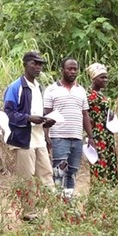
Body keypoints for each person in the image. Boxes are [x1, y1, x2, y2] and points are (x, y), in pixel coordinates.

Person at [3, 51, 55, 221]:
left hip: (39, 137)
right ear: (25, 64)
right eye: (34, 63)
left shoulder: (38, 87)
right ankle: (29, 213)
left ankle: (52, 210)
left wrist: (45, 122)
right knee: (27, 178)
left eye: (40, 64)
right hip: (23, 139)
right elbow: (9, 113)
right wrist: (28, 119)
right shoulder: (16, 87)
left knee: (46, 174)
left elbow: (37, 113)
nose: (38, 67)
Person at [43, 57, 94, 199]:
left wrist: (90, 136)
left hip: (77, 138)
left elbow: (85, 115)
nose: (72, 71)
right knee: (59, 170)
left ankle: (68, 202)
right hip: (59, 137)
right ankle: (58, 203)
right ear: (62, 70)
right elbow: (46, 115)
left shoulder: (81, 90)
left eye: (75, 69)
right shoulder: (51, 90)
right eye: (69, 69)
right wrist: (46, 136)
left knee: (72, 171)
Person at [85, 63, 118, 186]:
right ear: (93, 78)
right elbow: (85, 115)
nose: (105, 80)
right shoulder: (89, 95)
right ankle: (99, 194)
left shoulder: (100, 94)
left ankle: (109, 195)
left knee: (108, 163)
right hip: (98, 135)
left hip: (106, 134)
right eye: (102, 77)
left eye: (106, 77)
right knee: (100, 164)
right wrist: (90, 135)